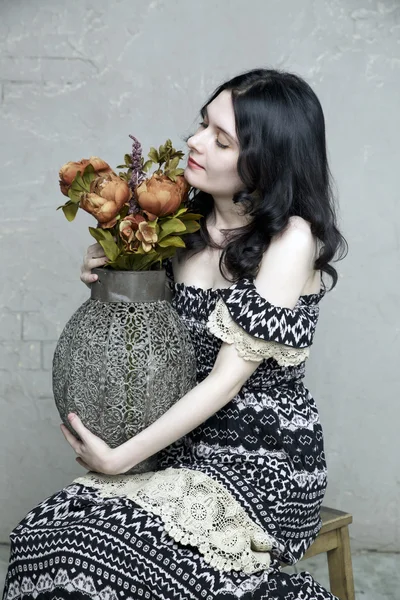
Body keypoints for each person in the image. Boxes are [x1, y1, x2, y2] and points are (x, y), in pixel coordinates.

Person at [3, 68, 347, 600]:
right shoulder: (179, 221)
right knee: (41, 536)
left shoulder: (292, 238)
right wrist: (117, 271)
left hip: (261, 469)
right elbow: (141, 343)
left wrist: (118, 460)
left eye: (221, 139)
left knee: (102, 555)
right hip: (175, 447)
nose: (195, 141)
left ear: (267, 160)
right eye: (202, 124)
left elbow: (225, 383)